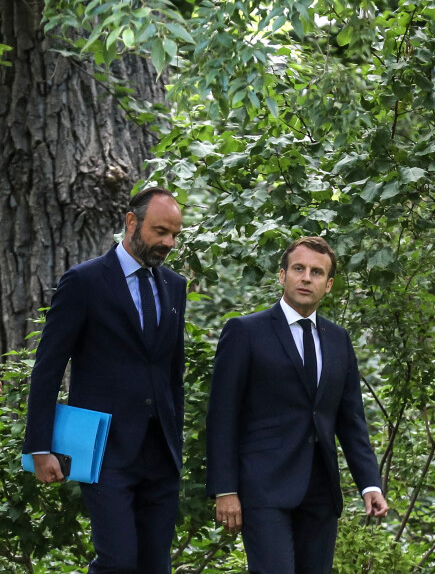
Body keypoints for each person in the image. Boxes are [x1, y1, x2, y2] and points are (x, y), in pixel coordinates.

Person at [22, 187, 187, 574]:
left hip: (161, 452)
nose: (168, 242)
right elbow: (48, 366)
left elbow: (172, 372)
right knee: (118, 561)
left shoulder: (175, 286)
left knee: (155, 565)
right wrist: (39, 446)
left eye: (175, 234)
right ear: (131, 222)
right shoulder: (84, 282)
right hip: (105, 450)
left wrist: (175, 439)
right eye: (160, 231)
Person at [206, 236, 388, 574]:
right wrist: (225, 489)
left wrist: (370, 484)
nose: (307, 278)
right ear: (282, 276)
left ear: (329, 284)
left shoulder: (338, 340)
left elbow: (350, 420)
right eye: (299, 269)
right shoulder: (245, 332)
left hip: (320, 493)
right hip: (263, 489)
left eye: (317, 272)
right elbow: (222, 416)